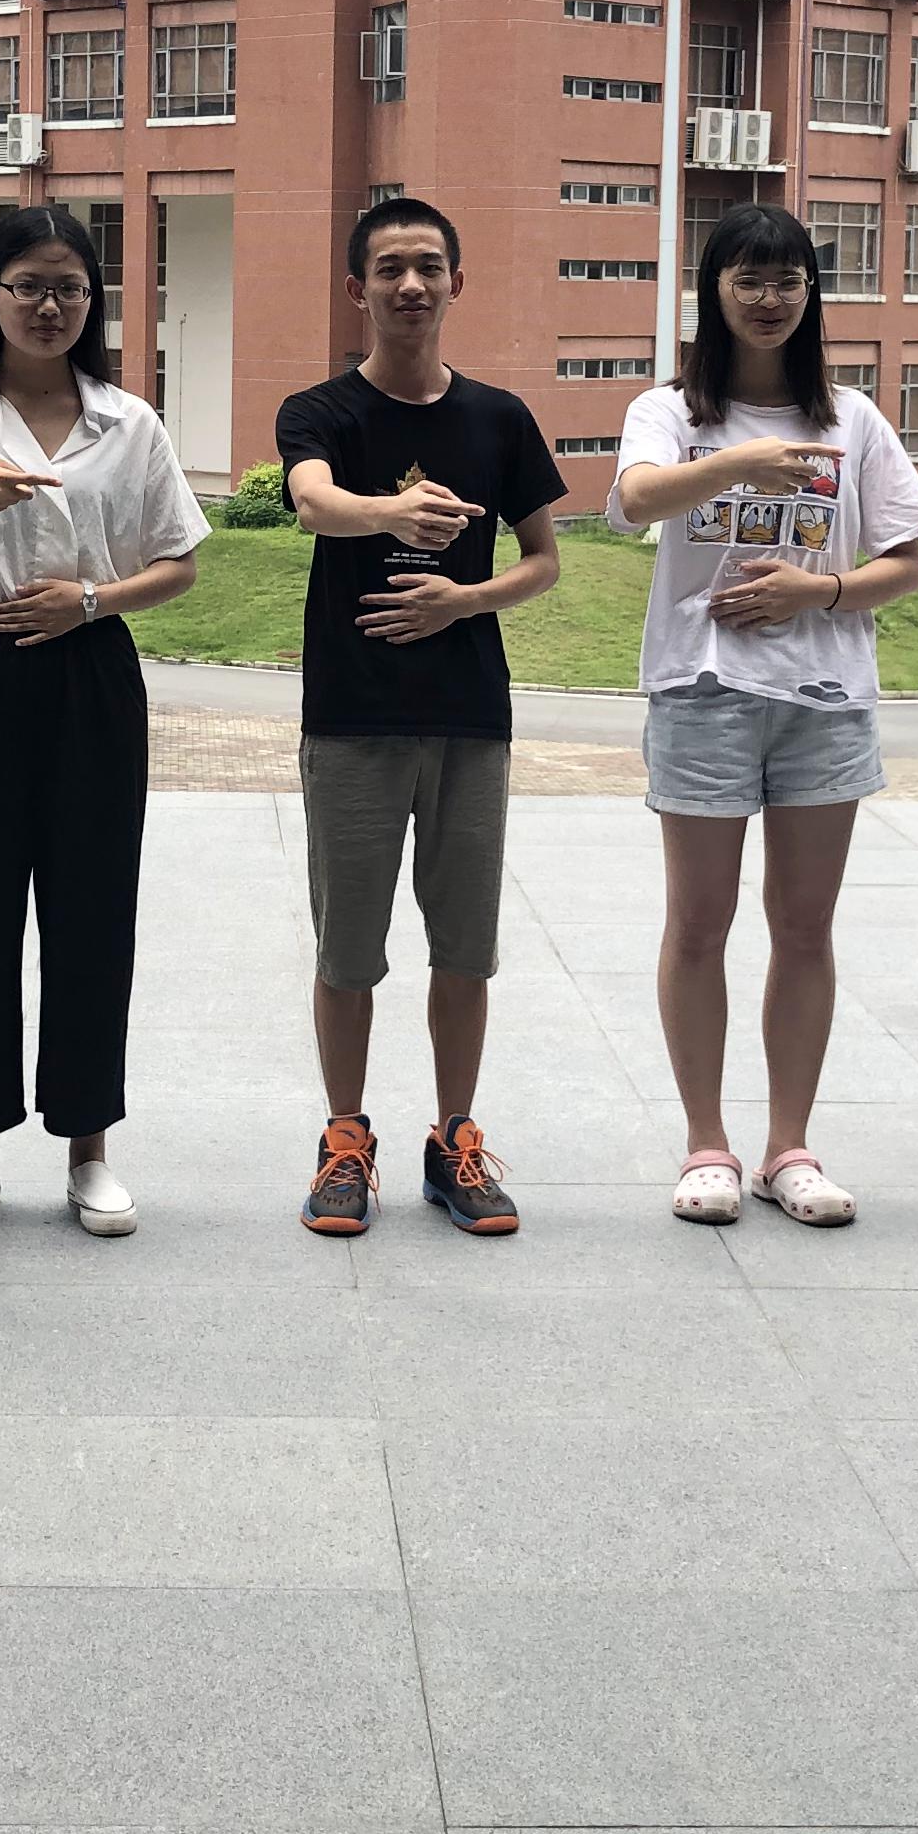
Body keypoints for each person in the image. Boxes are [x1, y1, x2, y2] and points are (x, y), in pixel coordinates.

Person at [608, 206, 918, 1228]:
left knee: (803, 926)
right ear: (713, 291)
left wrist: (817, 591)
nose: (769, 298)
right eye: (748, 278)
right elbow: (636, 500)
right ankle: (706, 1143)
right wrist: (738, 466)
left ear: (811, 294)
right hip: (702, 692)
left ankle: (789, 1147)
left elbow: (905, 564)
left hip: (823, 700)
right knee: (700, 922)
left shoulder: (852, 419)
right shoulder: (670, 410)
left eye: (789, 280)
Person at [0, 207, 208, 1238]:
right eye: (28, 285)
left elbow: (178, 562)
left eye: (70, 288)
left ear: (94, 301)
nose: (49, 306)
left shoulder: (130, 422)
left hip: (90, 664)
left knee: (92, 910)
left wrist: (89, 601)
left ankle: (89, 1147)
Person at [277, 195, 565, 1236]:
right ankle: (344, 1141)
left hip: (468, 719)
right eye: (391, 269)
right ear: (358, 289)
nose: (411, 285)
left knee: (466, 948)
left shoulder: (499, 418)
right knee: (348, 950)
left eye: (429, 267)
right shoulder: (321, 411)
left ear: (456, 283)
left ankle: (456, 1143)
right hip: (352, 718)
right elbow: (312, 501)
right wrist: (393, 511)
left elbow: (543, 560)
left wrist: (463, 600)